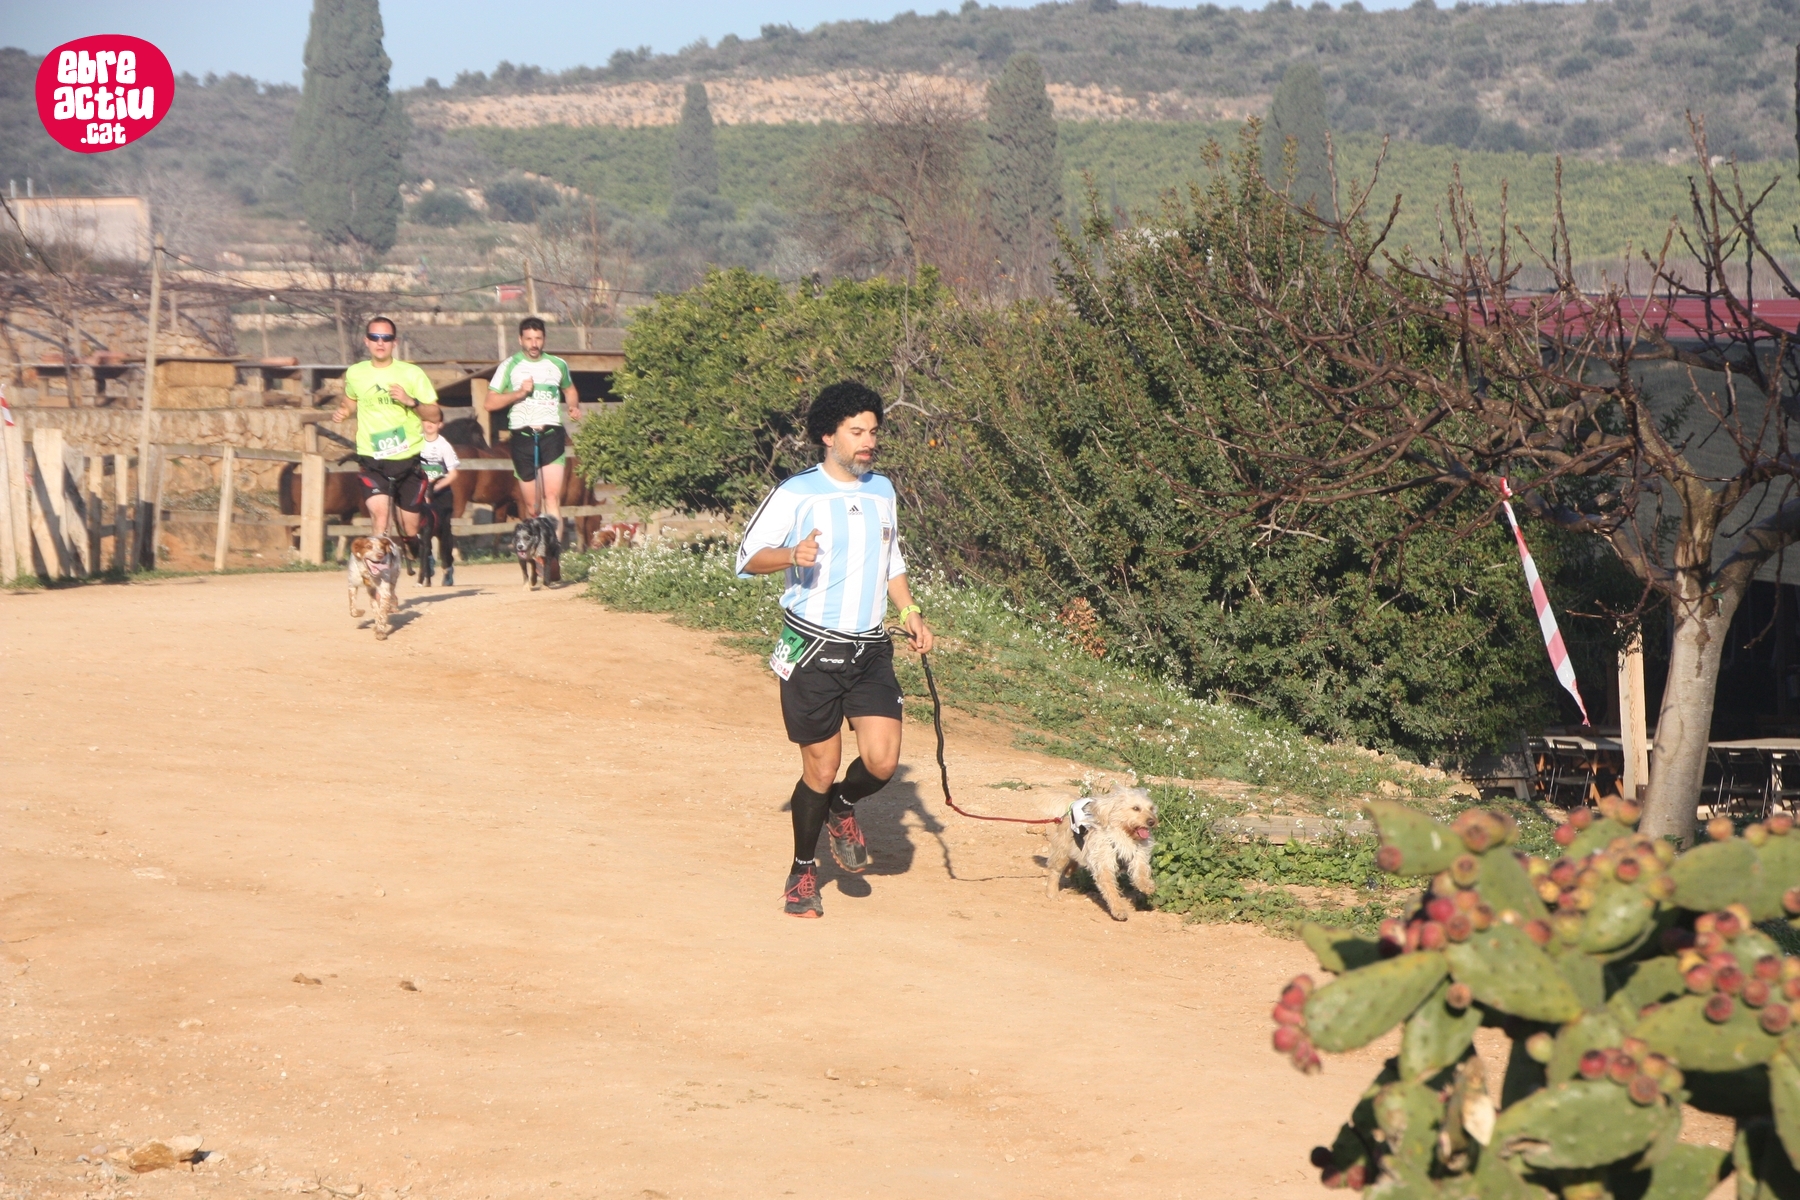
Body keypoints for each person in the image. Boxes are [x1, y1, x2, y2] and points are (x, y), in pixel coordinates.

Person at [736, 381, 934, 919]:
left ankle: (842, 807)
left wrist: (909, 611)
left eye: (873, 431)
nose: (869, 441)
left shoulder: (883, 489)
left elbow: (892, 558)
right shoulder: (797, 493)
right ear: (828, 435)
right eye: (857, 432)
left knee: (882, 761)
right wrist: (790, 555)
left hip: (869, 650)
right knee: (820, 771)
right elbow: (747, 557)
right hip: (811, 649)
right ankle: (803, 871)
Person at [330, 316, 443, 542]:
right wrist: (344, 410)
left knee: (409, 529)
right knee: (380, 518)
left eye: (386, 338)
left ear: (395, 342)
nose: (380, 342)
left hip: (406, 459)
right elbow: (351, 399)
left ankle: (421, 546)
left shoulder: (412, 373)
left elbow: (435, 414)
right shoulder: (355, 372)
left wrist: (410, 401)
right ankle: (380, 563)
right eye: (374, 337)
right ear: (366, 341)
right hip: (372, 457)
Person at [486, 316, 581, 527]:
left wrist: (573, 405)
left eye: (538, 338)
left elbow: (570, 390)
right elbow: (489, 403)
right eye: (529, 339)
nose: (534, 344)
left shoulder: (557, 364)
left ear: (544, 339)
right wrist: (519, 393)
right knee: (532, 506)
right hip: (523, 437)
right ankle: (537, 542)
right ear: (520, 340)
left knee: (552, 497)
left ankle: (552, 547)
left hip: (551, 434)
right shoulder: (510, 365)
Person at [417, 414, 461, 586]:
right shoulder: (416, 442)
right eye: (427, 420)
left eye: (434, 421)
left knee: (444, 533)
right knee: (421, 531)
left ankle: (447, 568)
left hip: (441, 494)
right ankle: (426, 564)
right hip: (420, 493)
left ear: (440, 424)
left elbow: (453, 474)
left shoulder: (444, 445)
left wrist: (435, 488)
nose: (429, 424)